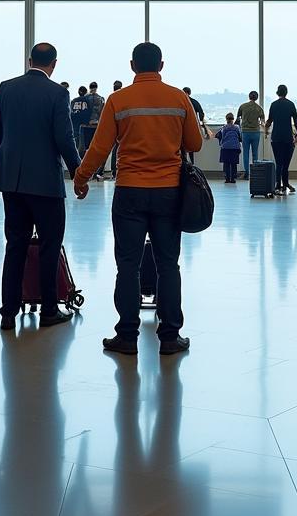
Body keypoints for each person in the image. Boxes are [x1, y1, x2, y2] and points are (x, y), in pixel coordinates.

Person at [75, 42, 202, 356]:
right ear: (161, 65)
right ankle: (170, 336)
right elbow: (195, 143)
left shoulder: (119, 100)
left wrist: (81, 177)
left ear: (132, 65)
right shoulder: (178, 98)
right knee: (168, 265)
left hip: (130, 190)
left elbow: (100, 147)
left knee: (128, 266)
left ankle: (127, 336)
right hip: (169, 192)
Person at [0, 43, 81, 330]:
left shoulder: (7, 88)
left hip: (12, 183)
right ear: (54, 64)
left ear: (30, 61)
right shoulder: (57, 93)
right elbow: (64, 138)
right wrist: (78, 173)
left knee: (15, 246)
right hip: (46, 185)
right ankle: (49, 310)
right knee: (50, 246)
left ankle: (7, 314)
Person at [266, 85, 297, 195]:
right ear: (286, 92)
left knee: (279, 162)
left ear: (277, 93)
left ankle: (278, 184)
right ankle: (285, 184)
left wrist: (265, 129)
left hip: (275, 137)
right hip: (287, 138)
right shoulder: (291, 104)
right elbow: (296, 123)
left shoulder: (273, 105)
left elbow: (269, 121)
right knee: (286, 163)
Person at [236, 91, 264, 179]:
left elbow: (238, 118)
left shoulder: (243, 106)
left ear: (249, 97)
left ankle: (247, 173)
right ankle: (254, 173)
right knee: (255, 153)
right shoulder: (259, 108)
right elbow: (262, 121)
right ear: (257, 98)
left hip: (245, 132)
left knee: (246, 153)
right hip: (256, 132)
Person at [182, 87, 211, 164]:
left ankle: (184, 162)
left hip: (182, 126)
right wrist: (201, 122)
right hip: (192, 126)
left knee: (182, 145)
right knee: (190, 146)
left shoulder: (181, 102)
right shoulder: (194, 102)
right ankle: (192, 164)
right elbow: (201, 113)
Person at [215, 113, 242, 183]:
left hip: (226, 147)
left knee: (226, 163)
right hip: (235, 147)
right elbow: (240, 137)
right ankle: (233, 179)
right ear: (233, 119)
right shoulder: (237, 127)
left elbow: (222, 137)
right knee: (233, 164)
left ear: (226, 119)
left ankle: (227, 178)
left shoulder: (224, 128)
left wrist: (221, 144)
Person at [87, 82, 106, 179]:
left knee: (86, 150)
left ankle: (87, 172)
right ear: (97, 88)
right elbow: (103, 112)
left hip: (86, 126)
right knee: (97, 149)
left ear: (89, 87)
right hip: (97, 126)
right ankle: (97, 172)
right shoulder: (101, 99)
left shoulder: (85, 99)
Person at [69, 85, 91, 152]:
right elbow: (89, 111)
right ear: (86, 92)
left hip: (75, 123)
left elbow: (70, 112)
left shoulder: (74, 101)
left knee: (75, 140)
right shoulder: (87, 100)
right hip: (85, 125)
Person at [109, 80, 123, 176]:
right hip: (123, 133)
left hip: (114, 131)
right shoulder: (124, 98)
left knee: (114, 151)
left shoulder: (112, 98)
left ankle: (114, 171)